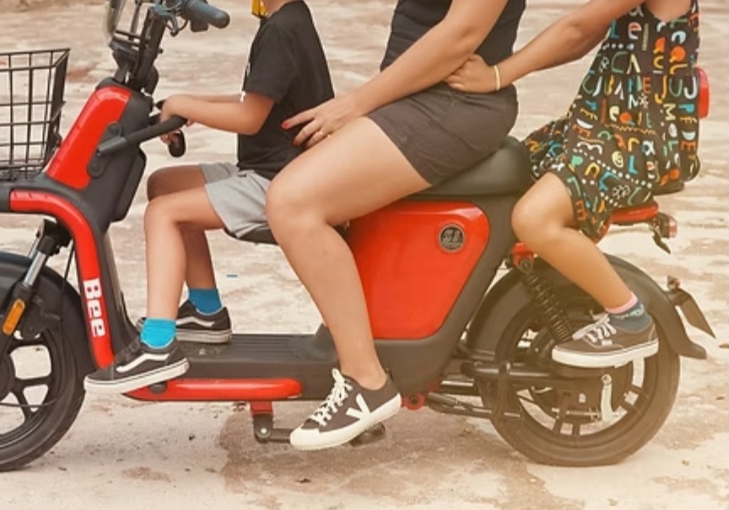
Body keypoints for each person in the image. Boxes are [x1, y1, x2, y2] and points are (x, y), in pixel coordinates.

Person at [263, 0, 526, 450]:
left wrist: (357, 103)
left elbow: (462, 33)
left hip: (452, 103)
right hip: (415, 96)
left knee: (292, 202)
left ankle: (366, 380)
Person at [84, 0, 334, 394]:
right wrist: (184, 104)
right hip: (268, 169)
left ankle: (158, 345)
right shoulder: (284, 18)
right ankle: (206, 312)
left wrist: (186, 106)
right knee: (165, 185)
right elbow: (253, 99)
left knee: (162, 214)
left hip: (281, 184)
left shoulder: (282, 29)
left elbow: (249, 118)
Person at [446, 0, 701, 368]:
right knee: (496, 183)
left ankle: (630, 319)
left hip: (634, 141)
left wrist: (497, 76)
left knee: (533, 219)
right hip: (595, 128)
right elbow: (583, 36)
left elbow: (577, 28)